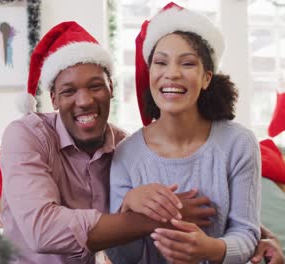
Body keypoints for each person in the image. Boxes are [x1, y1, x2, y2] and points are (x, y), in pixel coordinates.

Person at [0, 20, 284, 264]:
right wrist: (159, 214)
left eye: (95, 86)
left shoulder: (123, 145)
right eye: (69, 91)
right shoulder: (27, 135)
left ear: (111, 88)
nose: (84, 101)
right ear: (53, 99)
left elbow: (208, 200)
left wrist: (258, 237)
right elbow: (43, 230)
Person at [108, 2, 262, 263]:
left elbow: (247, 232)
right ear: (150, 74)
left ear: (206, 78)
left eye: (188, 64)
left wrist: (211, 249)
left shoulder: (238, 144)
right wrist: (129, 206)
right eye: (161, 63)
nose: (172, 74)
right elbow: (123, 257)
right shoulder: (126, 154)